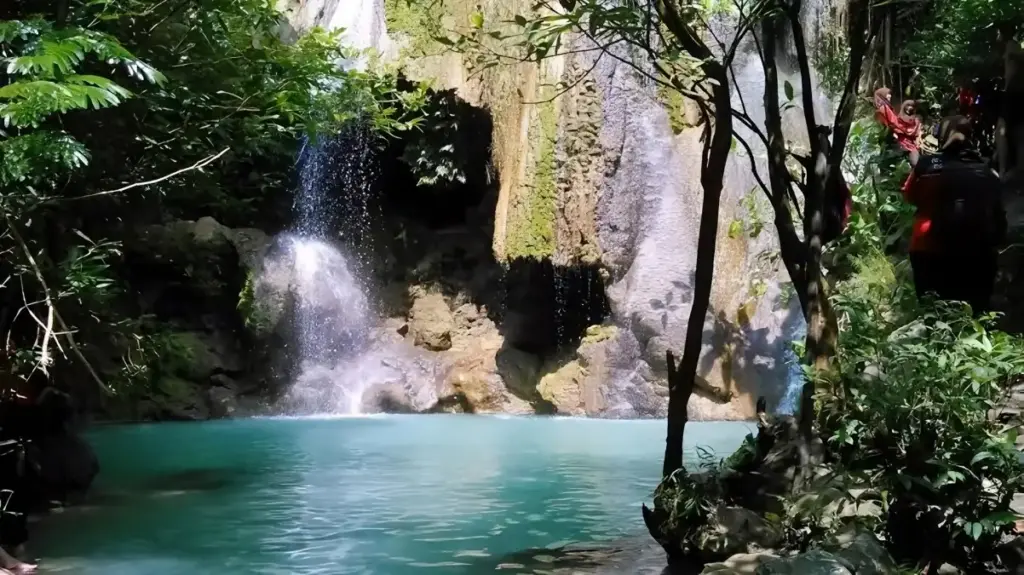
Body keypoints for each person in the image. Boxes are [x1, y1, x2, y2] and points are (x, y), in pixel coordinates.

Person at [900, 116, 1007, 313]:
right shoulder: (987, 171)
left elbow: (909, 196)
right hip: (978, 254)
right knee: (976, 313)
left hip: (929, 249)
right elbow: (1000, 219)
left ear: (942, 136)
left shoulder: (926, 165)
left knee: (934, 313)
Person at [874, 87, 923, 166]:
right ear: (881, 95)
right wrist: (904, 127)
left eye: (890, 94)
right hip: (893, 135)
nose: (889, 96)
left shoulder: (887, 107)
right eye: (887, 94)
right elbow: (893, 122)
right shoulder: (883, 109)